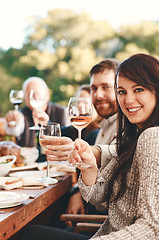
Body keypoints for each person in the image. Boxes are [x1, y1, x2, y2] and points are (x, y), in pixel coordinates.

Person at [17, 53, 159, 239]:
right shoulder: (138, 135)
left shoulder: (157, 138)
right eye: (122, 91)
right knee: (32, 233)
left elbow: (151, 229)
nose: (128, 100)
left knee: (29, 235)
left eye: (138, 90)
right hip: (112, 233)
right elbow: (98, 195)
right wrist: (89, 166)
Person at [59, 59, 121, 223]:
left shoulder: (127, 128)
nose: (98, 94)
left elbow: (116, 153)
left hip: (104, 225)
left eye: (105, 87)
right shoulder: (103, 128)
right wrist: (76, 191)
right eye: (94, 88)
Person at [4, 76, 70, 149]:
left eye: (38, 93)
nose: (35, 97)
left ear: (47, 95)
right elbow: (13, 131)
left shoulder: (64, 112)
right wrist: (12, 124)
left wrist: (47, 123)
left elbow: (69, 136)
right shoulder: (21, 114)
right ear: (25, 99)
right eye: (30, 95)